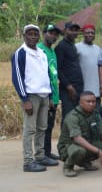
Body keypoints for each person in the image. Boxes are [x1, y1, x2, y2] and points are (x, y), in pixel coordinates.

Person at [12, 24, 58, 172]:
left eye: (35, 34)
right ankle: (28, 161)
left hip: (44, 95)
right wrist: (25, 100)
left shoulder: (42, 53)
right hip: (31, 96)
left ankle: (40, 156)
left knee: (42, 128)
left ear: (39, 36)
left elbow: (46, 76)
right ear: (24, 36)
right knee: (29, 129)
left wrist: (50, 95)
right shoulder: (21, 53)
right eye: (29, 34)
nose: (32, 36)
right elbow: (17, 78)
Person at [58, 91, 102, 177]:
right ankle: (68, 166)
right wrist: (98, 151)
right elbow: (77, 139)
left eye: (93, 101)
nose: (91, 104)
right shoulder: (73, 116)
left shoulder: (95, 113)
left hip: (87, 142)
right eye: (88, 101)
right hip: (69, 146)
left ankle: (85, 162)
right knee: (79, 151)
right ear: (80, 103)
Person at [37, 24, 62, 160]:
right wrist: (50, 97)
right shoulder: (40, 50)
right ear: (44, 33)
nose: (54, 36)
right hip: (46, 96)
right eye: (51, 33)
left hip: (54, 95)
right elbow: (43, 76)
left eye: (56, 34)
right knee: (43, 126)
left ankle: (47, 152)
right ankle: (42, 154)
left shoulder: (52, 51)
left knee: (49, 125)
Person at [55, 22, 83, 121]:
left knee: (77, 117)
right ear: (65, 30)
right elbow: (58, 69)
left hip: (78, 87)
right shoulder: (61, 46)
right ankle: (65, 137)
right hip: (68, 89)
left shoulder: (72, 45)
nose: (74, 32)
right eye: (71, 30)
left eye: (76, 30)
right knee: (68, 117)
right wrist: (68, 86)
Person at [76, 24, 102, 107]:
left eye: (92, 33)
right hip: (83, 89)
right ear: (83, 33)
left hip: (96, 90)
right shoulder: (77, 47)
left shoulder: (98, 49)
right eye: (87, 32)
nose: (90, 35)